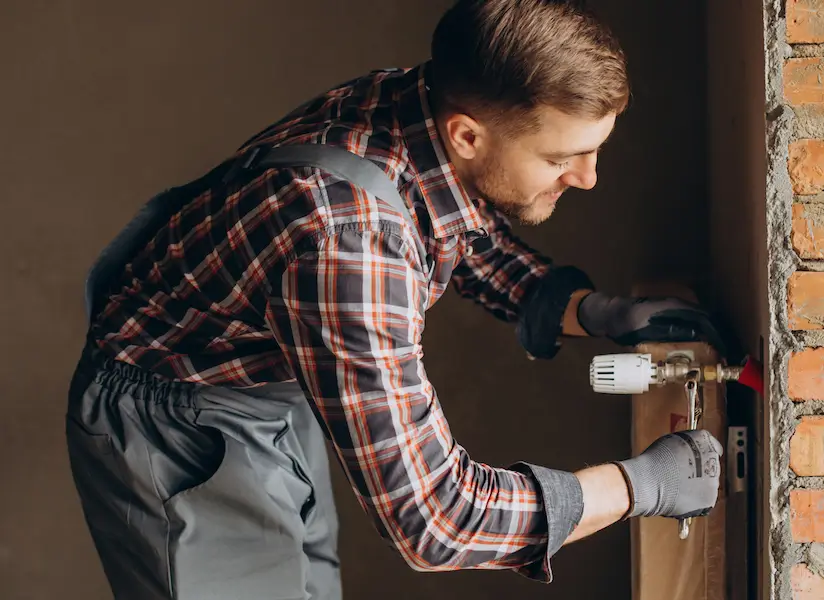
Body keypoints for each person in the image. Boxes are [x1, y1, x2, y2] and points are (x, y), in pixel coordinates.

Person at [66, 1, 725, 598]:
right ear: (468, 134)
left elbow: (449, 216)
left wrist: (582, 309)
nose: (587, 178)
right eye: (562, 159)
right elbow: (435, 519)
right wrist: (641, 486)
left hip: (268, 389)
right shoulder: (346, 245)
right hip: (174, 427)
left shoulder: (416, 103)